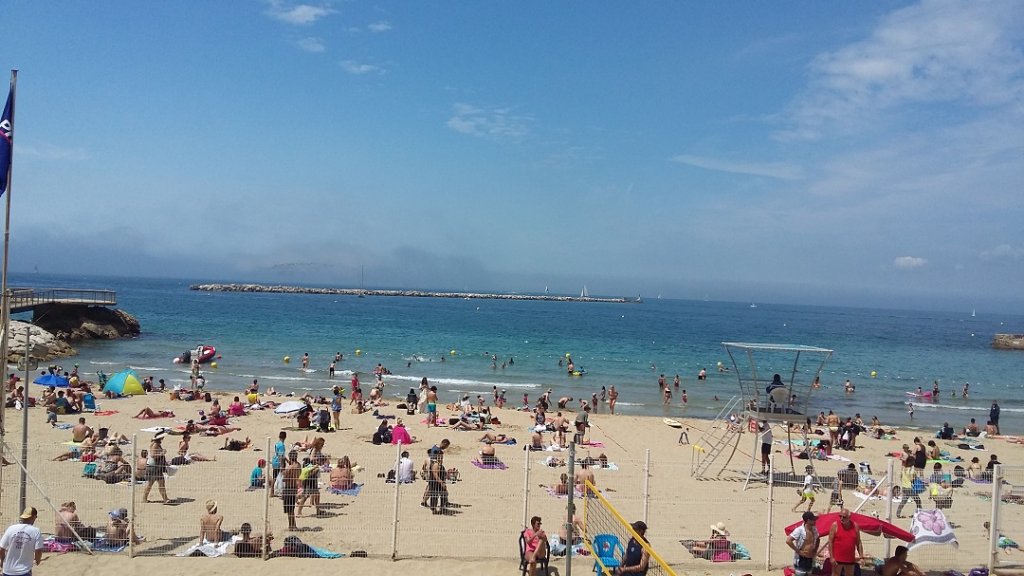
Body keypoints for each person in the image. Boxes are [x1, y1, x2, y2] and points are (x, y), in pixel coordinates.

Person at [0, 507, 43, 576]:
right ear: (33, 517)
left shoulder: (11, 528)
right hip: (24, 571)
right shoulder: (36, 531)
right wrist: (38, 560)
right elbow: (38, 550)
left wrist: (2, 561)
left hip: (8, 570)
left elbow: (1, 548)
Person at [826, 509, 863, 576]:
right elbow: (830, 542)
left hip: (850, 558)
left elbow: (858, 542)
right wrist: (831, 557)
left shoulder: (855, 526)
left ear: (849, 517)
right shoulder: (835, 525)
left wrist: (861, 557)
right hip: (837, 558)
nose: (841, 518)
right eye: (840, 516)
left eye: (844, 517)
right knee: (836, 574)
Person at [787, 511, 819, 576]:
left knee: (809, 573)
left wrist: (815, 550)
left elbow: (818, 539)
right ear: (808, 520)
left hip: (810, 558)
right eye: (813, 520)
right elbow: (788, 541)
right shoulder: (799, 530)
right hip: (801, 558)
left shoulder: (814, 529)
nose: (815, 521)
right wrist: (798, 551)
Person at [142, 433, 170, 503]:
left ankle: (165, 499)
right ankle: (165, 499)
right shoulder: (155, 444)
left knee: (157, 483)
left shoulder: (155, 443)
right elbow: (153, 455)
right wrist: (162, 453)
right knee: (157, 483)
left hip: (155, 467)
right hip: (154, 467)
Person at [281, 450, 301, 531]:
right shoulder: (298, 465)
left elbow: (284, 479)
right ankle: (294, 525)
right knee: (292, 508)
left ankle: (291, 526)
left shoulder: (290, 468)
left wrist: (282, 466)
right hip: (294, 488)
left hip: (288, 488)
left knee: (289, 510)